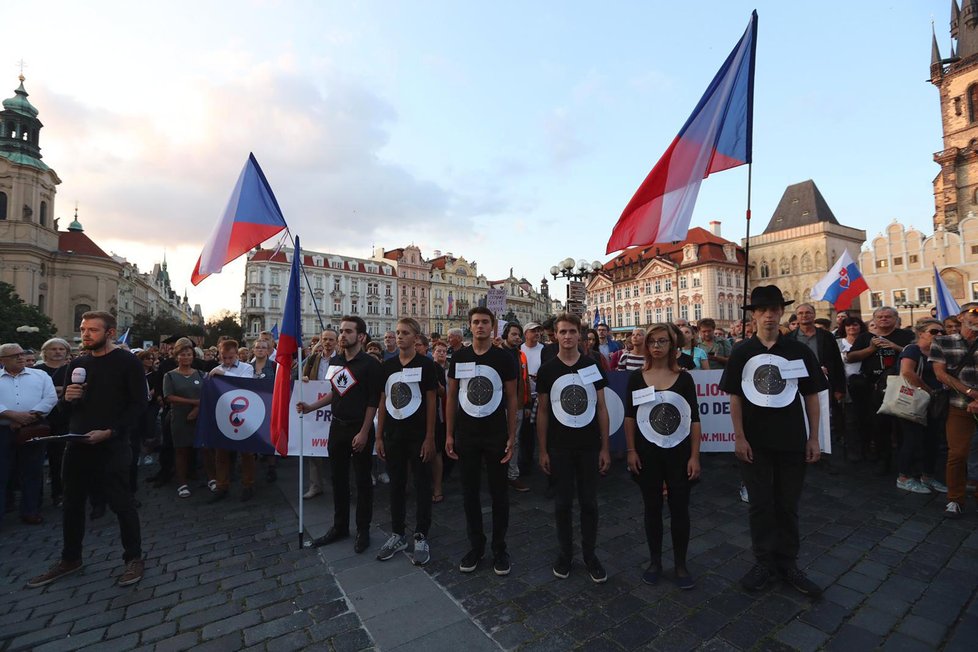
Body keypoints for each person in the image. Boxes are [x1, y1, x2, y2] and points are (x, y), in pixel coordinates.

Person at [27, 311, 148, 588]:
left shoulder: (127, 362)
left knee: (122, 504)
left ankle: (134, 557)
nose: (86, 334)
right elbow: (64, 412)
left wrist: (111, 431)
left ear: (110, 333)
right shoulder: (78, 364)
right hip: (77, 443)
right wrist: (67, 399)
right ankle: (70, 558)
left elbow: (138, 406)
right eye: (83, 329)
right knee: (71, 504)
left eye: (93, 330)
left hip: (113, 445)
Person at [720, 287, 826, 597]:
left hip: (792, 439)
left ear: (781, 312)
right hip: (754, 441)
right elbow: (734, 399)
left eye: (774, 308)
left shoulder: (798, 351)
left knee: (788, 504)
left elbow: (812, 397)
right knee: (760, 504)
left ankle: (788, 563)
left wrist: (814, 438)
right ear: (753, 314)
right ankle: (763, 562)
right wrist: (739, 437)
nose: (769, 313)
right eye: (763, 308)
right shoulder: (741, 352)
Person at [624, 325, 701, 589]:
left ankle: (681, 564)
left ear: (672, 345)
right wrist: (631, 450)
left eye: (662, 341)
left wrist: (695, 456)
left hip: (679, 454)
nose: (657, 346)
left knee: (680, 510)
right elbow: (630, 417)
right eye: (652, 341)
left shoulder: (685, 378)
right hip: (647, 454)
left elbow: (694, 420)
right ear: (646, 345)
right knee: (652, 509)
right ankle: (655, 561)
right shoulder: (636, 378)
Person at [297, 316, 382, 553]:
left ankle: (362, 530)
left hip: (359, 429)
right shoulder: (336, 361)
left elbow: (373, 401)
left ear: (361, 336)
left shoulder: (370, 364)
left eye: (348, 331)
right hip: (337, 428)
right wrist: (311, 406)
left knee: (363, 482)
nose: (342, 335)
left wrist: (365, 432)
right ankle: (340, 526)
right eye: (341, 331)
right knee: (338, 480)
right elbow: (337, 392)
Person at [536, 314, 610, 583]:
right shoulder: (547, 370)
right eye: (562, 332)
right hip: (559, 447)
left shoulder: (593, 366)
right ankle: (565, 553)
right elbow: (542, 411)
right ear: (555, 336)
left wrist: (605, 448)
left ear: (580, 335)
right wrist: (542, 450)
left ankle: (590, 555)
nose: (567, 336)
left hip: (589, 446)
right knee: (563, 503)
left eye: (572, 331)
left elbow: (602, 408)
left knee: (590, 503)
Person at [446, 307, 518, 575]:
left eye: (485, 322)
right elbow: (451, 396)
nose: (480, 326)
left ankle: (500, 548)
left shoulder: (504, 358)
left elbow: (512, 398)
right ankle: (476, 546)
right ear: (469, 326)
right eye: (475, 322)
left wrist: (512, 435)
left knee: (499, 493)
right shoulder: (460, 356)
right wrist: (449, 434)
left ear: (493, 326)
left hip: (496, 433)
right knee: (469, 494)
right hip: (466, 435)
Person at [375, 318, 438, 565]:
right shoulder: (387, 366)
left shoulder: (426, 365)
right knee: (396, 485)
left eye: (405, 333)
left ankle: (421, 534)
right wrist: (379, 435)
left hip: (418, 436)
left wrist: (430, 437)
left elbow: (432, 401)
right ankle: (398, 533)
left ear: (416, 337)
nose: (399, 337)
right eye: (397, 333)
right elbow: (382, 400)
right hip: (393, 435)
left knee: (422, 485)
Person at [846, 306, 915, 474]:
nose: (883, 319)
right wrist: (871, 349)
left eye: (888, 316)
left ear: (896, 319)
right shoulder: (865, 337)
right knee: (879, 426)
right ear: (874, 320)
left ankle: (904, 463)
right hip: (873, 388)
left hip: (901, 387)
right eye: (880, 317)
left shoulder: (906, 335)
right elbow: (850, 357)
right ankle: (883, 460)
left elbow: (917, 355)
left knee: (901, 426)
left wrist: (894, 346)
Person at [0, 343, 57, 526]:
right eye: (14, 355)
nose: (20, 357)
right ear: (2, 360)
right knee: (2, 473)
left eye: (21, 353)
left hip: (34, 428)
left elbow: (50, 398)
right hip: (3, 430)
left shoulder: (40, 375)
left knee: (32, 471)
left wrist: (29, 417)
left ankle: (31, 511)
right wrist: (11, 415)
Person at [931, 304, 978, 519]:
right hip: (958, 405)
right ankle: (955, 499)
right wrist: (971, 394)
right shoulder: (942, 341)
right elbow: (941, 374)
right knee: (957, 453)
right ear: (961, 317)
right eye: (974, 312)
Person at [786, 303, 846, 470]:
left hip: (823, 384)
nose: (804, 316)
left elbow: (837, 362)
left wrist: (840, 387)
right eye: (801, 313)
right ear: (796, 317)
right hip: (796, 385)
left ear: (813, 315)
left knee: (824, 418)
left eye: (808, 312)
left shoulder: (826, 336)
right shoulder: (789, 338)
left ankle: (823, 453)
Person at [895, 319, 947, 495]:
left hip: (935, 402)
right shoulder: (913, 349)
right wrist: (929, 391)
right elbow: (907, 372)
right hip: (915, 401)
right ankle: (904, 477)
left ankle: (927, 476)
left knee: (932, 439)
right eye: (934, 331)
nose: (939, 334)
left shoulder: (939, 351)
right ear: (921, 333)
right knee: (912, 439)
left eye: (942, 332)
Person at [207, 339, 256, 502]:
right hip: (223, 415)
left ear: (236, 355)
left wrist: (224, 374)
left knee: (247, 452)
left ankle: (248, 485)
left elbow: (246, 384)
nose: (227, 361)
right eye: (224, 357)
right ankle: (222, 486)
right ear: (220, 355)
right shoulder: (215, 370)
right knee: (221, 452)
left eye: (230, 357)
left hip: (244, 415)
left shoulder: (247, 368)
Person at [162, 339, 204, 500]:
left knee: (201, 448)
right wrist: (194, 402)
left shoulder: (200, 374)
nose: (186, 357)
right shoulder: (170, 375)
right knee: (181, 450)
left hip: (199, 416)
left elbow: (206, 393)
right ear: (176, 356)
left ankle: (208, 477)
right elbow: (169, 397)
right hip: (179, 417)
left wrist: (197, 408)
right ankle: (182, 482)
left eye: (189, 354)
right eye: (182, 355)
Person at [35, 338, 72, 507]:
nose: (57, 352)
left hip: (63, 419)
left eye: (61, 349)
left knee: (59, 460)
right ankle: (36, 497)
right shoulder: (36, 370)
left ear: (66, 352)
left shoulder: (72, 370)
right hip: (40, 419)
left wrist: (62, 391)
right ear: (45, 352)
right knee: (36, 460)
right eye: (53, 349)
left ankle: (59, 493)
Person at [301, 329, 337, 499]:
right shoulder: (313, 359)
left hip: (336, 408)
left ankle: (339, 484)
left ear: (336, 342)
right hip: (315, 407)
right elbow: (301, 376)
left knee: (337, 448)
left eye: (331, 339)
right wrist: (305, 379)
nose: (328, 342)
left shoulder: (341, 360)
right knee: (313, 448)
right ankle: (315, 485)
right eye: (325, 339)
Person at [501, 323, 530, 492]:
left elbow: (524, 380)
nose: (517, 337)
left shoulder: (520, 355)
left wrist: (526, 403)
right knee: (500, 441)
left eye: (519, 334)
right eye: (514, 334)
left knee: (515, 441)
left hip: (517, 404)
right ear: (506, 335)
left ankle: (512, 474)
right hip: (500, 405)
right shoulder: (498, 352)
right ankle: (500, 474)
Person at [837, 317, 868, 461]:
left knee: (865, 418)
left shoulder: (866, 342)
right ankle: (852, 450)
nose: (851, 328)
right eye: (848, 325)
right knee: (850, 419)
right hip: (846, 384)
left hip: (864, 383)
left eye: (855, 325)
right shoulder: (838, 343)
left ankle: (866, 448)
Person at [520, 322, 546, 474]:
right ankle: (527, 461)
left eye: (538, 331)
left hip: (541, 394)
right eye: (533, 331)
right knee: (526, 433)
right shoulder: (519, 349)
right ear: (526, 334)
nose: (537, 333)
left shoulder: (544, 349)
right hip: (524, 396)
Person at [430, 340, 450, 502]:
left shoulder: (444, 369)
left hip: (444, 412)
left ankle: (439, 484)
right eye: (438, 351)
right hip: (434, 412)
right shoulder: (431, 366)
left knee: (439, 448)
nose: (441, 353)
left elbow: (444, 392)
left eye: (444, 351)